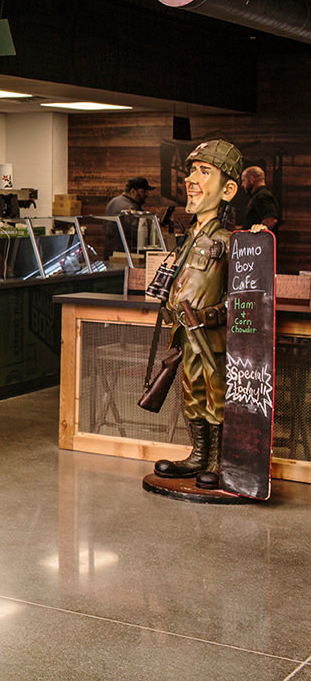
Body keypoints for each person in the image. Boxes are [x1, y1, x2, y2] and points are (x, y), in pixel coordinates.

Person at [152, 140, 242, 489]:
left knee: (217, 397)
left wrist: (209, 316)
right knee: (192, 396)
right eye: (191, 171)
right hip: (185, 336)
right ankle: (198, 457)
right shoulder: (189, 236)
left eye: (205, 172)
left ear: (228, 190)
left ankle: (219, 462)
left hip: (212, 340)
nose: (191, 179)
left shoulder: (232, 242)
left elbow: (244, 298)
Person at [103, 176, 151, 260]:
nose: (146, 195)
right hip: (125, 255)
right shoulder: (131, 207)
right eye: (143, 192)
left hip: (109, 254)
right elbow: (137, 234)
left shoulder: (113, 201)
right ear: (133, 191)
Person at [241, 165, 281, 233]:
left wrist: (260, 228)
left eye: (244, 180)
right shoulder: (258, 196)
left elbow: (271, 220)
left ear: (252, 179)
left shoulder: (262, 195)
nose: (242, 185)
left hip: (259, 240)